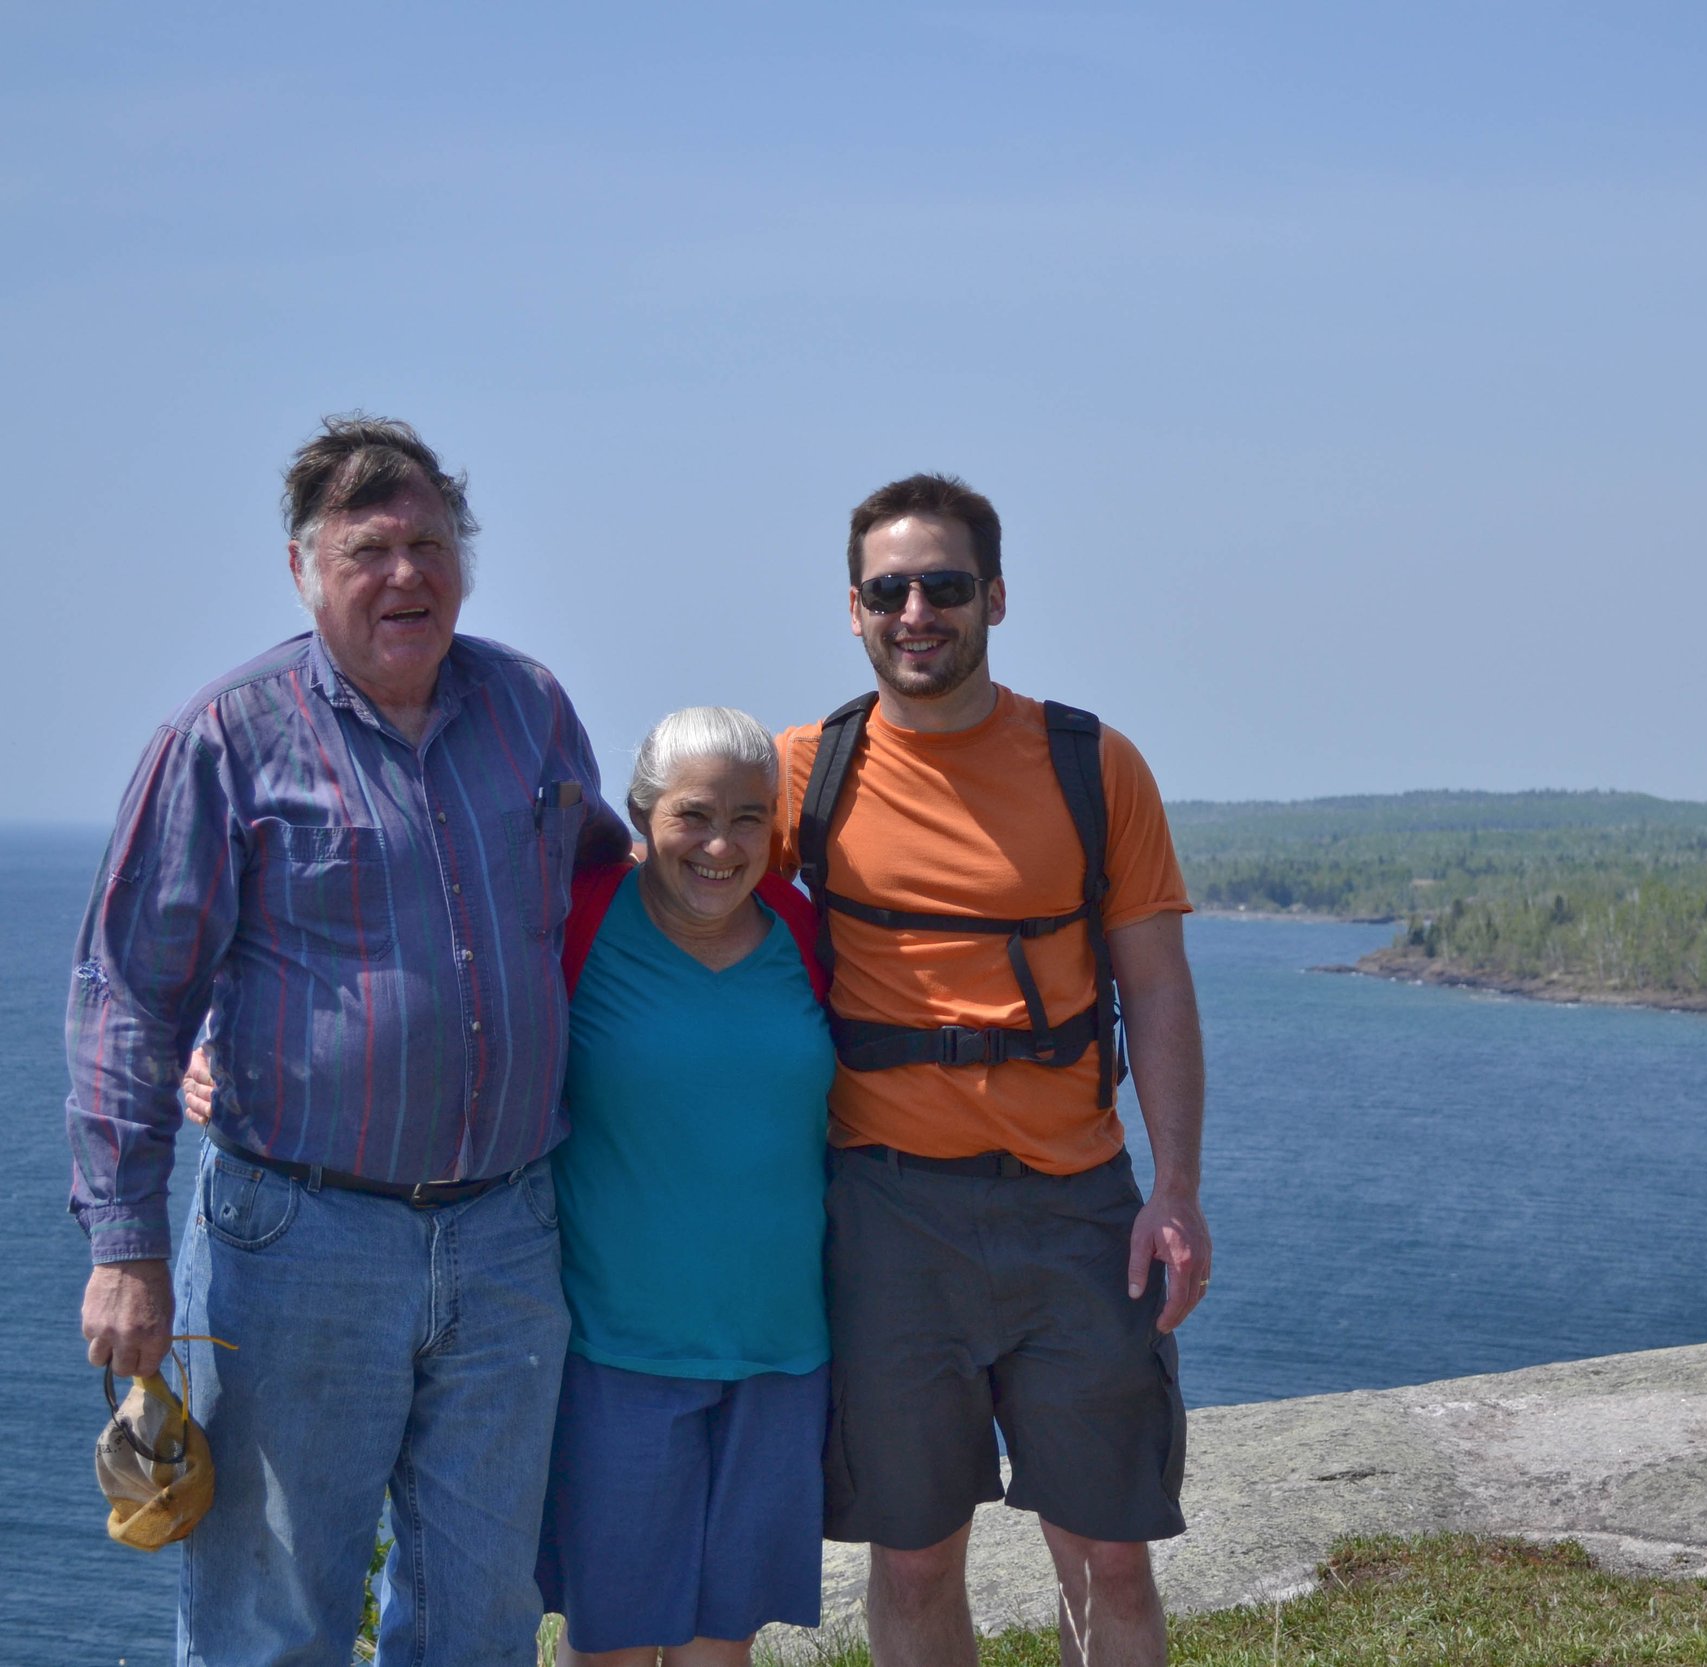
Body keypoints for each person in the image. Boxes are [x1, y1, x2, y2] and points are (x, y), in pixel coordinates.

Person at [67, 415, 625, 1664]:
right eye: (366, 550)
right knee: (271, 1623)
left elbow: (607, 886)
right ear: (302, 569)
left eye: (428, 543)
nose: (404, 573)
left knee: (483, 1616)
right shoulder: (222, 738)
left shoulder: (529, 706)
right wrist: (126, 1247)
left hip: (508, 1232)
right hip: (298, 1238)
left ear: (464, 560)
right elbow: (128, 997)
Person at [771, 473, 1211, 1667]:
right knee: (914, 1554)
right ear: (853, 610)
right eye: (888, 590)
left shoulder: (1091, 763)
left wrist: (1176, 1189)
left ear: (996, 598)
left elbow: (1156, 984)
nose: (916, 612)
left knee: (1109, 1552)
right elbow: (670, 905)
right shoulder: (802, 772)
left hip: (1075, 1206)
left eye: (945, 585)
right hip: (886, 1210)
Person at [535, 707, 838, 1666]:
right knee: (613, 1644)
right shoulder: (580, 917)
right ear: (641, 815)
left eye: (749, 818)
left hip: (781, 1350)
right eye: (693, 815)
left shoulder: (801, 928)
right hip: (616, 1351)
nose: (720, 845)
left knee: (724, 1645)